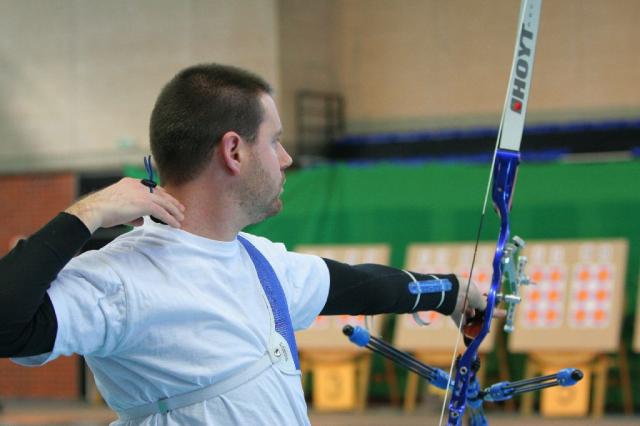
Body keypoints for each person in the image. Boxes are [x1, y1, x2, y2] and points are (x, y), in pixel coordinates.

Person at [0, 63, 486, 425]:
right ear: (234, 150)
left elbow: (362, 285)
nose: (286, 158)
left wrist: (450, 292)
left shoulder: (260, 261)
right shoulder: (120, 278)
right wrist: (87, 213)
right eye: (274, 141)